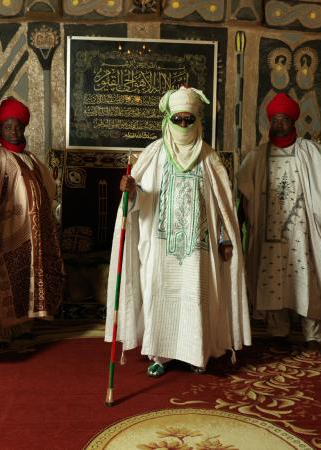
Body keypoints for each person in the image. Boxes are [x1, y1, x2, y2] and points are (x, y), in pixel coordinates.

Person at [105, 86, 251, 377]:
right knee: (159, 295)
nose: (183, 125)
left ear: (197, 121)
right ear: (167, 120)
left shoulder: (209, 158)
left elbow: (221, 207)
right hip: (160, 248)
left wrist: (224, 239)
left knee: (197, 297)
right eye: (178, 119)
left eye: (188, 119)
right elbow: (142, 198)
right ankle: (160, 355)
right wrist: (131, 190)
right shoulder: (154, 154)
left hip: (199, 248)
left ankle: (197, 354)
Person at [236, 92, 321, 354]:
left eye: (283, 119)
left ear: (293, 122)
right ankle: (278, 332)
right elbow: (243, 196)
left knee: (307, 280)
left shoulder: (309, 152)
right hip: (268, 233)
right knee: (271, 281)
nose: (278, 124)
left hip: (301, 233)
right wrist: (237, 227)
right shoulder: (257, 156)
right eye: (275, 120)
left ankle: (312, 336)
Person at [0, 97, 63, 341]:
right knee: (4, 279)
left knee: (26, 279)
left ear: (24, 128)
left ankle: (24, 325)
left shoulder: (32, 159)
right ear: (0, 129)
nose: (13, 131)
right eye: (7, 127)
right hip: (4, 232)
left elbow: (48, 192)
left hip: (31, 235)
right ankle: (3, 329)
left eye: (17, 127)